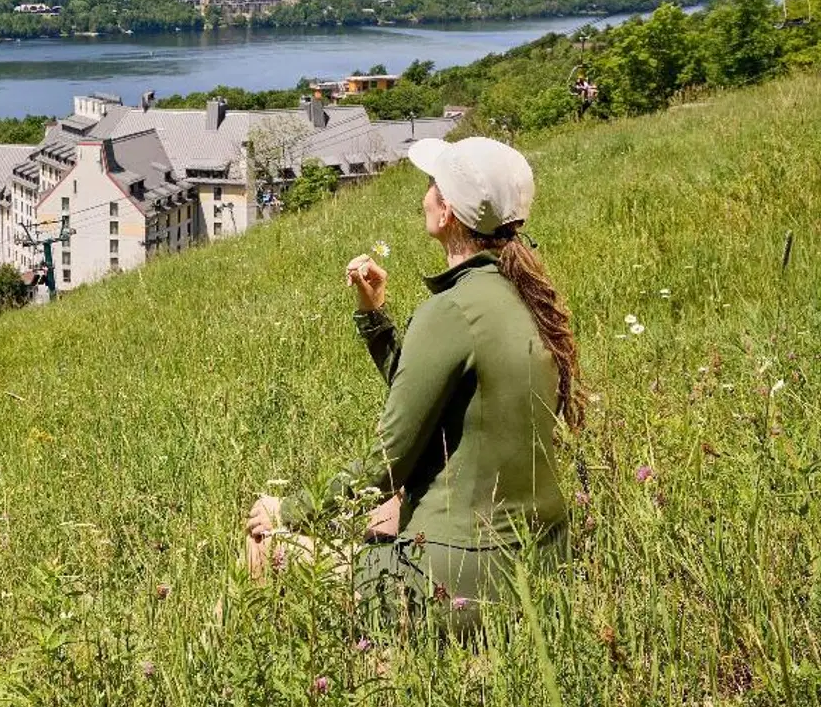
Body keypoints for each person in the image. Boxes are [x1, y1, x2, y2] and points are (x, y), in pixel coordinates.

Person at [244, 136, 583, 629]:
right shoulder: (524, 295)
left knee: (262, 542)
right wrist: (374, 315)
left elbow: (387, 466)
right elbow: (431, 394)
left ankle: (221, 671)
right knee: (385, 516)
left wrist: (288, 510)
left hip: (460, 584)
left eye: (432, 185)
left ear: (446, 212)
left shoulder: (449, 310)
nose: (423, 193)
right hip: (538, 566)